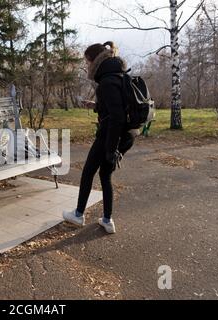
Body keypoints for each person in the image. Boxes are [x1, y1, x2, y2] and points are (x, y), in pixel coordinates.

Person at [63, 41, 135, 234]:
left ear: (94, 61)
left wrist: (110, 149)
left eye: (87, 62)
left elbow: (117, 117)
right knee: (105, 175)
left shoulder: (107, 81)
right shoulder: (117, 75)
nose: (87, 66)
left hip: (109, 137)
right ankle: (107, 220)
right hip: (126, 137)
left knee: (88, 172)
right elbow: (116, 108)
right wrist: (95, 106)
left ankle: (78, 215)